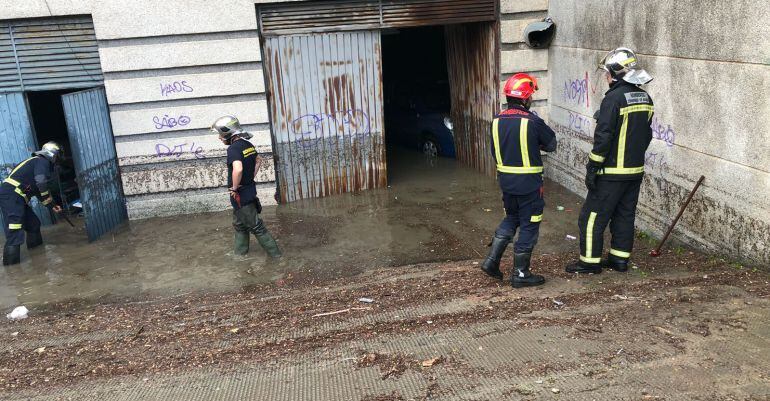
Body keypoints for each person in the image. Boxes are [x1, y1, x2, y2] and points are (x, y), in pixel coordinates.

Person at [565, 47, 654, 274]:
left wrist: (593, 166)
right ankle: (619, 260)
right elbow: (646, 134)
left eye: (607, 73)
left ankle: (589, 263)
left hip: (611, 173)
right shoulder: (645, 97)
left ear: (615, 74)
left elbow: (603, 137)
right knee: (624, 215)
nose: (605, 77)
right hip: (634, 172)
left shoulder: (613, 99)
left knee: (592, 217)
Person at [481, 73, 557, 288]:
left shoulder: (496, 121)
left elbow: (496, 151)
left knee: (511, 218)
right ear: (525, 98)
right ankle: (521, 273)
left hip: (506, 183)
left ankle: (491, 261)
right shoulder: (532, 121)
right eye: (531, 95)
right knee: (530, 225)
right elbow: (551, 144)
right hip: (529, 186)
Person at [210, 116, 282, 258]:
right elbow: (258, 161)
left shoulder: (233, 149)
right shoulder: (247, 144)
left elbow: (238, 169)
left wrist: (235, 188)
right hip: (248, 190)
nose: (219, 138)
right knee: (240, 225)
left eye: (220, 134)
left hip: (241, 195)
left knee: (257, 227)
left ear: (227, 133)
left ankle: (277, 257)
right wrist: (249, 178)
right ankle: (239, 254)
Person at [1, 142, 63, 265]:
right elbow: (40, 183)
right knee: (15, 230)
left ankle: (38, 261)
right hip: (11, 195)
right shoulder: (41, 161)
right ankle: (12, 271)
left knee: (33, 225)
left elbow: (39, 191)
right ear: (53, 154)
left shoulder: (38, 163)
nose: (58, 159)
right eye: (58, 155)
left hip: (16, 197)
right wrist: (47, 198)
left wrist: (52, 206)